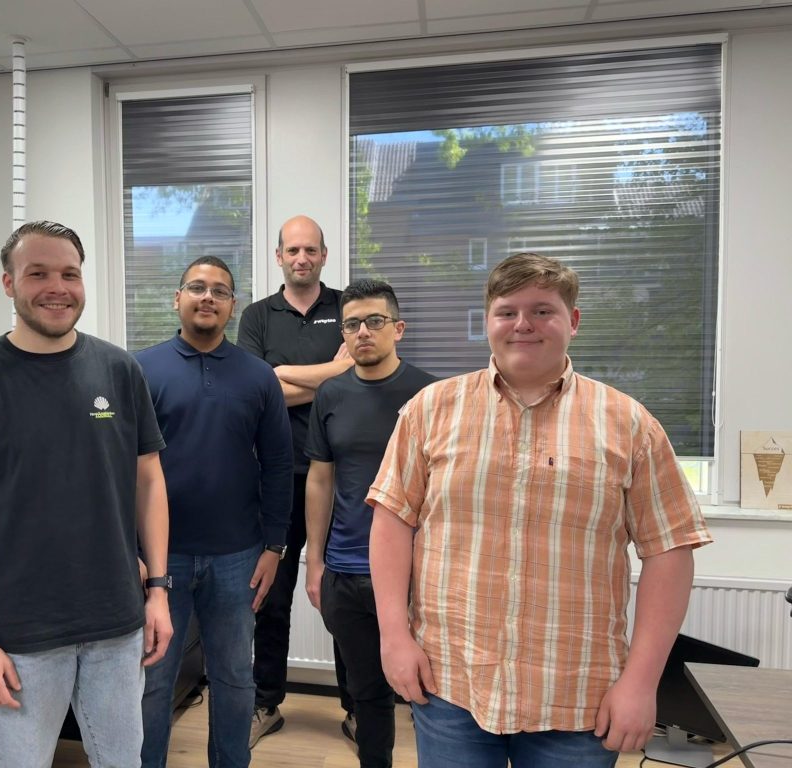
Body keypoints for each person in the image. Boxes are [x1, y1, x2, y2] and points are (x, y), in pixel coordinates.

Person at [367, 252, 714, 768]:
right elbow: (393, 521)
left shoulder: (630, 424)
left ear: (573, 321)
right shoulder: (430, 410)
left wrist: (642, 682)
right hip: (451, 682)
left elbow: (670, 550)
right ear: (488, 321)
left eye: (542, 311)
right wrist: (394, 637)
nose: (522, 324)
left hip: (579, 698)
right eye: (507, 311)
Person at [0, 221, 172, 768]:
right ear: (9, 284)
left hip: (116, 623)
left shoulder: (119, 370)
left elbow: (149, 482)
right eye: (38, 274)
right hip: (20, 636)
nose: (57, 287)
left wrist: (158, 590)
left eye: (69, 274)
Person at [135, 256, 293, 768]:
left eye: (220, 291)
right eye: (197, 287)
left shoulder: (258, 376)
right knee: (152, 681)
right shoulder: (139, 370)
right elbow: (118, 467)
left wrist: (274, 546)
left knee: (234, 679)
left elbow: (278, 464)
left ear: (232, 306)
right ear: (177, 298)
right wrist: (131, 552)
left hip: (238, 557)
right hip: (162, 560)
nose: (208, 297)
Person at [304, 279, 437, 767]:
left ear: (397, 329)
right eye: (352, 324)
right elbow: (320, 479)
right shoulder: (331, 394)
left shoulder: (430, 394)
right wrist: (314, 563)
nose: (363, 331)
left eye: (374, 321)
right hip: (346, 573)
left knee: (431, 695)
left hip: (417, 575)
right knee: (368, 696)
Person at [237, 215, 356, 746]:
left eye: (311, 250)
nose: (301, 258)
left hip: (339, 476)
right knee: (271, 597)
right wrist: (330, 373)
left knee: (344, 597)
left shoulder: (347, 308)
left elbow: (358, 375)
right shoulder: (257, 316)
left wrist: (282, 374)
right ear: (279, 256)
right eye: (293, 250)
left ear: (324, 255)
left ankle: (358, 709)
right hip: (275, 477)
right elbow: (254, 392)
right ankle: (266, 704)